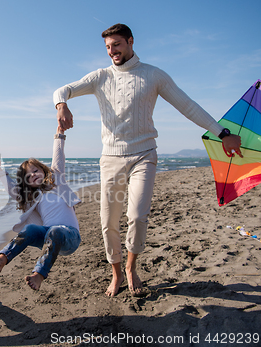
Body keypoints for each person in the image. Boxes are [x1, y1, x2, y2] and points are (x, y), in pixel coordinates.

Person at [54, 23, 242, 297]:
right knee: (108, 222)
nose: (112, 51)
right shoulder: (100, 77)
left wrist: (222, 133)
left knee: (138, 216)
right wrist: (62, 106)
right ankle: (116, 273)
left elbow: (187, 105)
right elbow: (62, 90)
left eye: (116, 44)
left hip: (144, 155)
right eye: (108, 47)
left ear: (130, 42)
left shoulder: (153, 75)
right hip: (110, 158)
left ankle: (131, 267)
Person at [0, 126, 81, 291]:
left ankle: (39, 274)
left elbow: (58, 157)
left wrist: (59, 135)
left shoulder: (56, 181)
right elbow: (11, 189)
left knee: (55, 231)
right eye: (29, 176)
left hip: (70, 236)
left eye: (36, 170)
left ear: (43, 170)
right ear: (26, 183)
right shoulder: (32, 198)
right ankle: (0, 261)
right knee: (31, 229)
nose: (33, 175)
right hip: (49, 238)